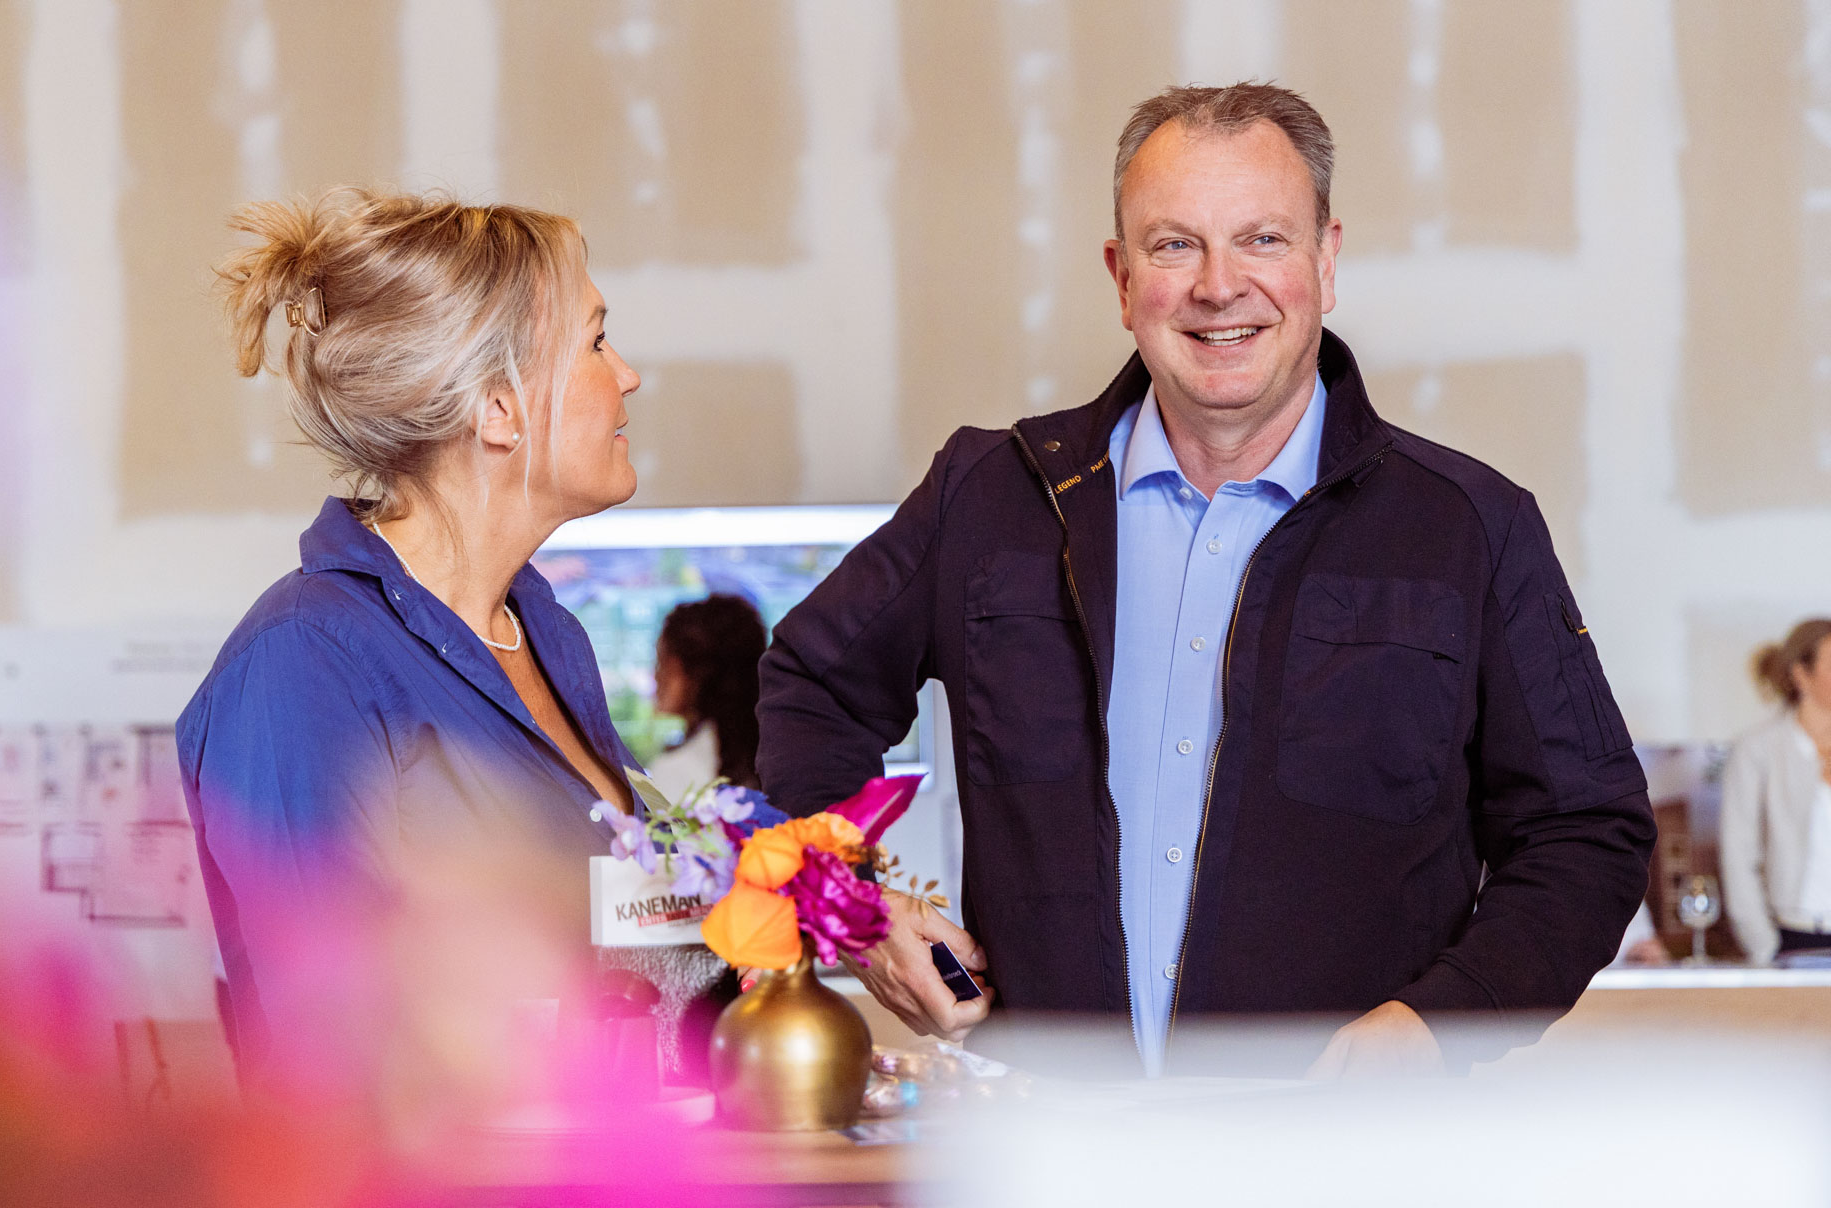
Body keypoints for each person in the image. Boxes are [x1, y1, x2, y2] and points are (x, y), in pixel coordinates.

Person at [756, 82, 1655, 1077]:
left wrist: (1439, 1019)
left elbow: (1586, 832)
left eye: (1263, 239)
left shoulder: (1469, 527)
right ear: (1121, 276)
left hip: (1350, 1149)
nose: (1219, 287)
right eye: (1175, 245)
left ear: (1326, 260)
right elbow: (808, 688)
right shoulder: (991, 497)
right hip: (1052, 1141)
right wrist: (851, 905)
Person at [178, 189, 646, 1089]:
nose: (625, 376)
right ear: (499, 410)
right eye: (595, 342)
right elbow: (330, 1049)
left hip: (587, 1167)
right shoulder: (304, 662)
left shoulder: (543, 632)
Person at [1720, 619, 1831, 963]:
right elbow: (1738, 857)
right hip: (1793, 940)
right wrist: (1766, 949)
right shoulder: (1757, 750)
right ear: (1801, 674)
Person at [647, 593, 769, 798]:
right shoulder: (779, 756)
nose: (656, 676)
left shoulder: (674, 773)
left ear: (696, 675)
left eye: (662, 663)